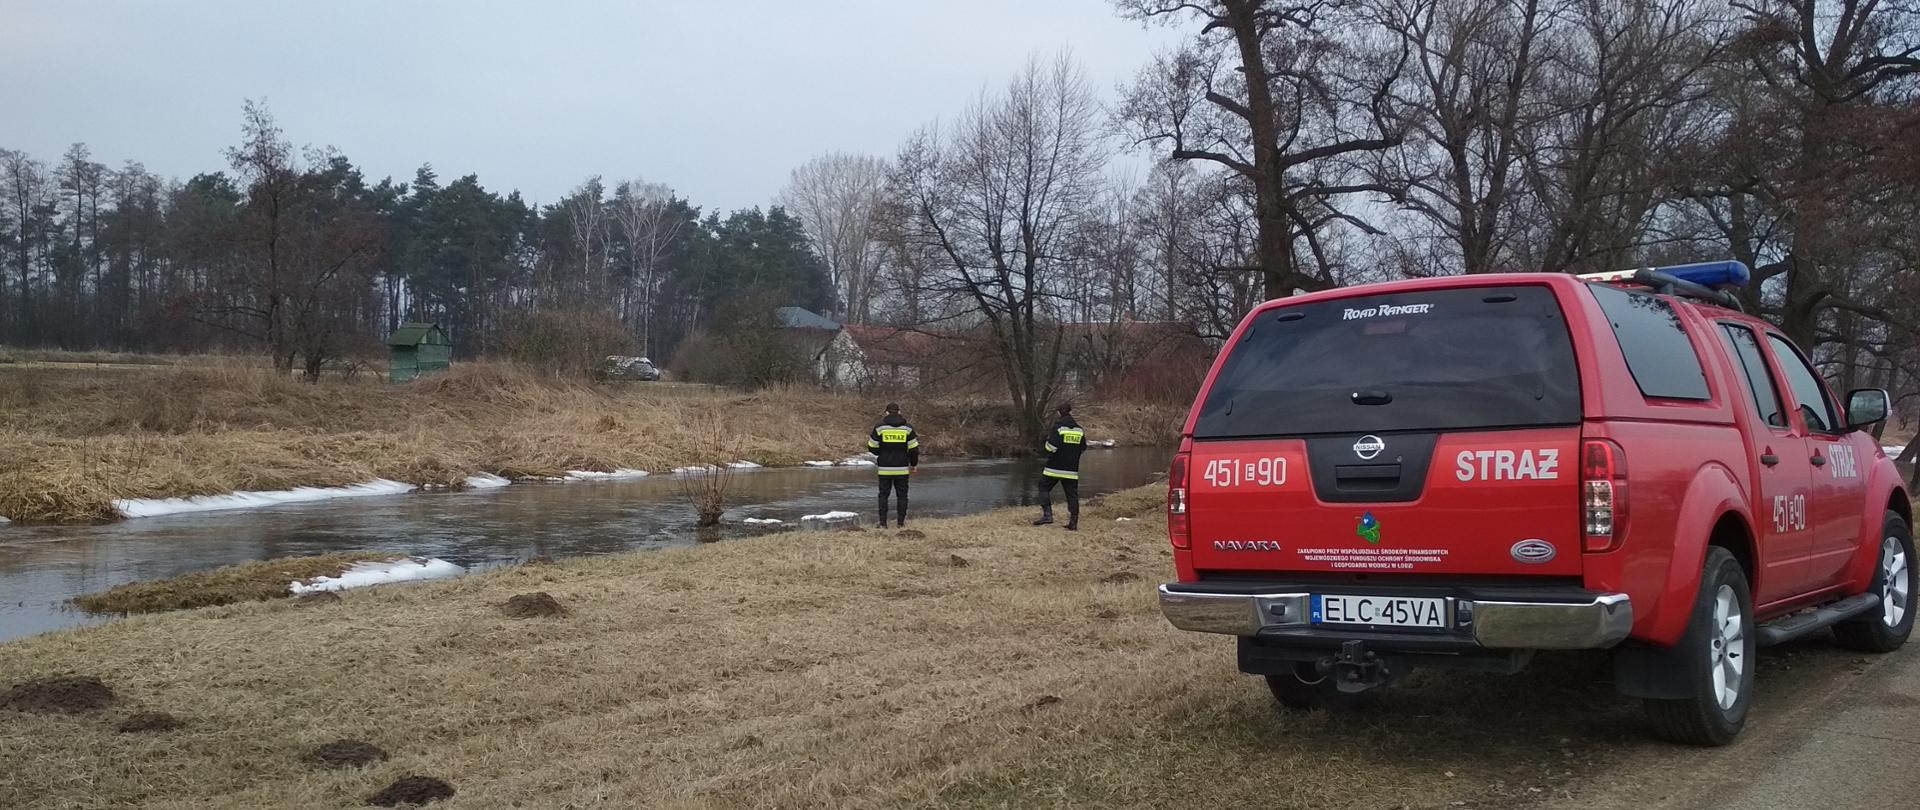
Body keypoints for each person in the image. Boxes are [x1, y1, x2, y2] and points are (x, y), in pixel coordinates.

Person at [1033, 403, 1085, 531]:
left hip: (1054, 468)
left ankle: (1047, 516)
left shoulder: (1058, 427)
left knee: (1043, 487)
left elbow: (1051, 448)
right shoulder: (1079, 429)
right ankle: (1073, 522)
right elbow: (1083, 448)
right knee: (1072, 495)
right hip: (1071, 470)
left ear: (1059, 413)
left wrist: (1044, 441)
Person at [867, 403, 920, 528]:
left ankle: (883, 523)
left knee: (883, 496)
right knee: (902, 496)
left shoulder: (880, 427)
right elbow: (914, 449)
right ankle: (900, 523)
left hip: (884, 468)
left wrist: (882, 453)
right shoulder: (907, 428)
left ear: (886, 412)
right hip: (902, 469)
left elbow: (871, 446)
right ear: (899, 411)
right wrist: (913, 464)